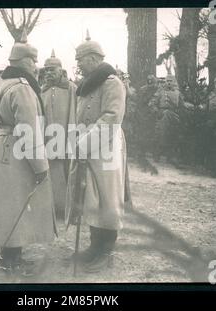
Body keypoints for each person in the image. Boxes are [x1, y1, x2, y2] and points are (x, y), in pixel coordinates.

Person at [0, 30, 55, 275]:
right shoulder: (23, 87)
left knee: (8, 203)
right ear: (24, 62)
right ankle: (9, 259)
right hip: (16, 151)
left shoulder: (5, 83)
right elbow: (28, 130)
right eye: (34, 61)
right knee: (14, 204)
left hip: (5, 147)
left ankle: (11, 255)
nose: (36, 66)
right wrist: (40, 166)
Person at [66, 30, 127, 273]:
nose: (78, 64)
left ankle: (106, 249)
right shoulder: (87, 85)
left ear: (92, 58)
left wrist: (84, 143)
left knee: (108, 198)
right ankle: (94, 245)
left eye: (80, 59)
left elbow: (111, 118)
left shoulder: (112, 83)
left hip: (107, 147)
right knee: (90, 196)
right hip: (88, 146)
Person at [41, 49, 77, 219]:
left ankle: (72, 208)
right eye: (46, 70)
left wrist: (73, 137)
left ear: (61, 71)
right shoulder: (43, 91)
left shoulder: (71, 88)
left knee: (70, 171)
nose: (48, 73)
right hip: (49, 139)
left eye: (52, 70)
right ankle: (56, 207)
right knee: (53, 174)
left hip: (67, 137)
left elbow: (75, 112)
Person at [149, 74, 185, 162]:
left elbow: (182, 105)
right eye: (167, 81)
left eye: (170, 81)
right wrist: (156, 111)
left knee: (172, 135)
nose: (169, 83)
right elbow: (152, 103)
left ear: (174, 82)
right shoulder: (160, 92)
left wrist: (180, 113)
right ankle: (156, 155)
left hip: (174, 116)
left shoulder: (178, 93)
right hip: (162, 115)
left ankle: (170, 156)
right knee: (160, 135)